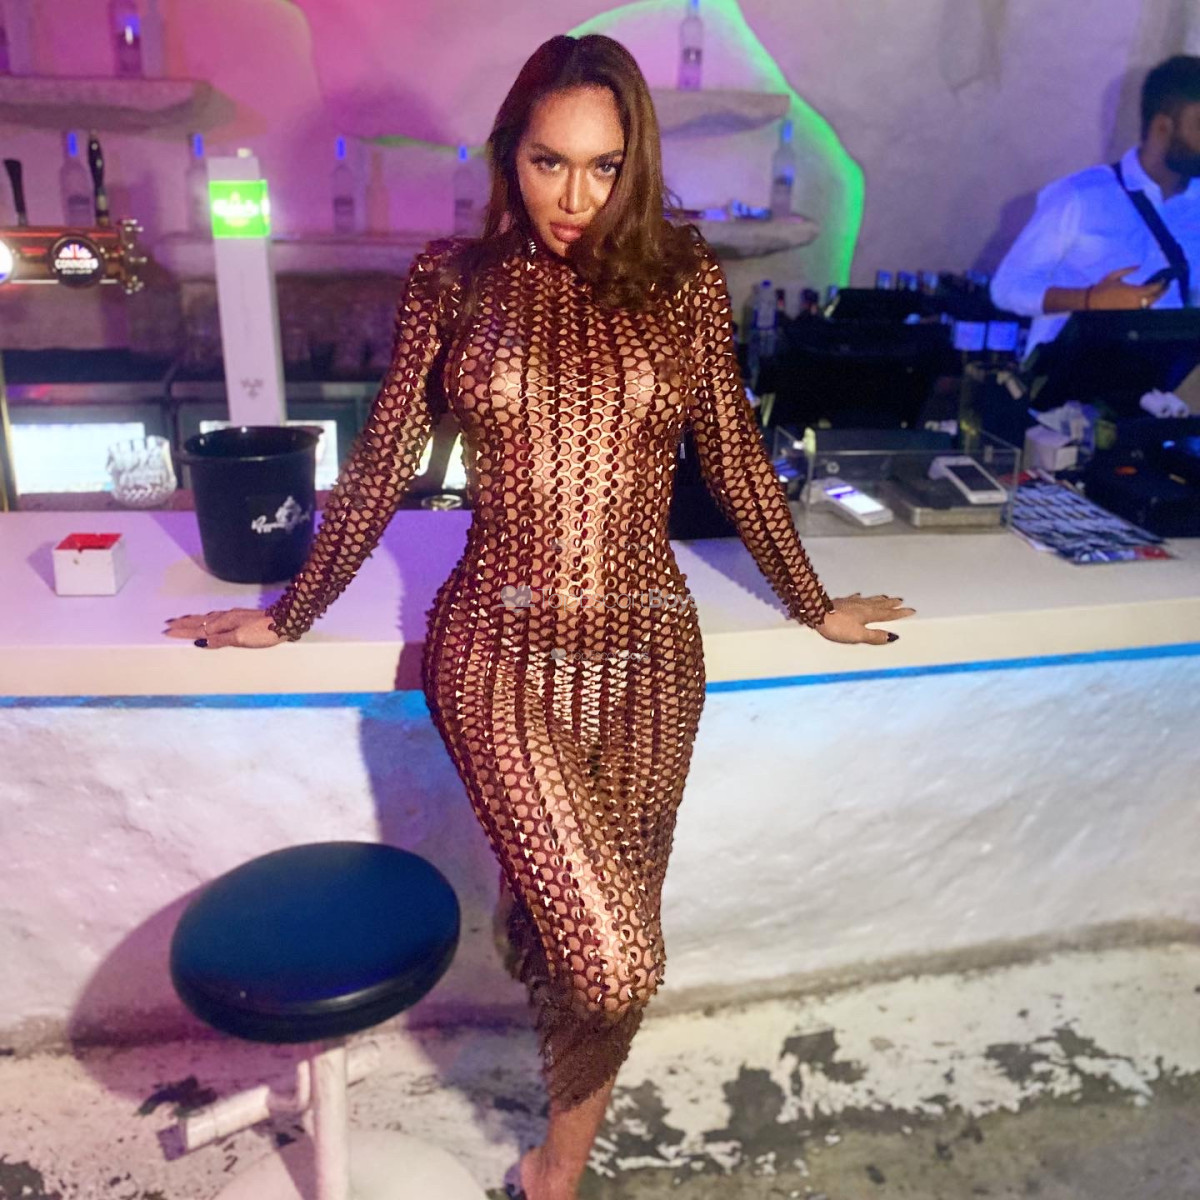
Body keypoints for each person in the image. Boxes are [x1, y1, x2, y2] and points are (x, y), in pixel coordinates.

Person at [165, 34, 914, 1200]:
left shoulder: (683, 277)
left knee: (611, 938)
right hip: (499, 645)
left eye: (605, 167)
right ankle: (542, 977)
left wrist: (813, 603)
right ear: (509, 154)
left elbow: (734, 456)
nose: (575, 197)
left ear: (637, 163)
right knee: (610, 959)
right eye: (548, 162)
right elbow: (384, 464)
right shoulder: (450, 280)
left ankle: (554, 1173)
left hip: (650, 652)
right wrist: (293, 613)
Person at [991, 53, 1200, 359]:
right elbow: (1007, 288)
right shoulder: (1079, 195)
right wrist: (1090, 300)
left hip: (1161, 385)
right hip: (1069, 383)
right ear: (1162, 128)